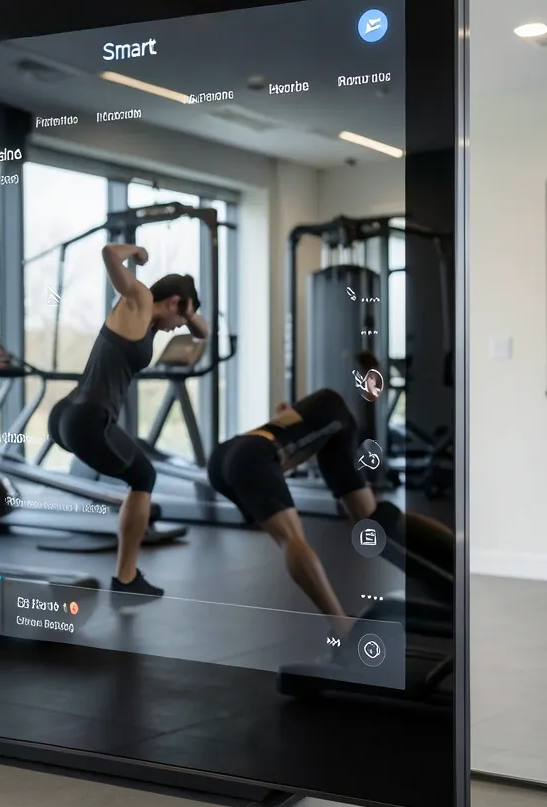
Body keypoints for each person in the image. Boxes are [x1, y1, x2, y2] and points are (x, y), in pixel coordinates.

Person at [49, 243, 209, 600]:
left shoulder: (153, 320)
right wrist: (136, 252)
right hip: (87, 418)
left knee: (140, 473)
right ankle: (125, 578)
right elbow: (108, 253)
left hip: (70, 413)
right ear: (171, 304)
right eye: (179, 319)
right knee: (144, 477)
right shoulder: (138, 299)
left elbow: (203, 332)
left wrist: (188, 306)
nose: (177, 329)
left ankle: (127, 575)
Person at [207, 388, 379, 639]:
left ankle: (343, 626)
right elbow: (366, 513)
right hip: (251, 456)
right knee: (293, 539)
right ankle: (344, 629)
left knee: (288, 536)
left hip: (223, 457)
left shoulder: (295, 418)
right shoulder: (339, 418)